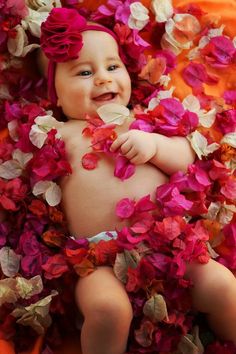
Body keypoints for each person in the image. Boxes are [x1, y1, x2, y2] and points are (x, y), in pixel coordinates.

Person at [40, 7, 236, 354]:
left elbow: (186, 157)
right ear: (54, 94)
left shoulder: (142, 121)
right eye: (84, 72)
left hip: (169, 243)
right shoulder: (58, 133)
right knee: (107, 310)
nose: (103, 78)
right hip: (96, 255)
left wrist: (155, 145)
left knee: (220, 285)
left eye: (113, 67)